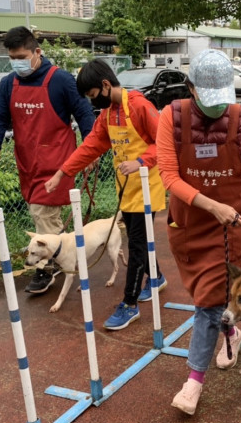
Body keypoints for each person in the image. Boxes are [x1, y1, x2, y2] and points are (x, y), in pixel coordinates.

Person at [155, 49, 241, 416]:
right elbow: (169, 177)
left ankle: (193, 382)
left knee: (207, 304)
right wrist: (212, 206)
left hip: (231, 227)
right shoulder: (170, 118)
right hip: (190, 226)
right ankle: (232, 332)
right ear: (191, 88)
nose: (219, 108)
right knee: (211, 300)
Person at [45, 59, 167, 330]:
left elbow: (166, 142)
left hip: (147, 186)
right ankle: (156, 277)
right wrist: (62, 173)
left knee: (136, 244)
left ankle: (130, 304)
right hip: (126, 187)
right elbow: (90, 147)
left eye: (92, 96)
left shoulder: (139, 106)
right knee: (140, 238)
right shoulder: (107, 115)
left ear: (104, 85)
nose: (92, 102)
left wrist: (141, 161)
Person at [0, 26, 96, 294]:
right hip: (28, 163)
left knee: (43, 216)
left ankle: (45, 270)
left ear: (37, 52)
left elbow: (84, 114)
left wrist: (90, 150)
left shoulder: (61, 80)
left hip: (57, 161)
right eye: (12, 58)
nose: (17, 63)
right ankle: (65, 260)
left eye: (21, 56)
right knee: (44, 217)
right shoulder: (8, 84)